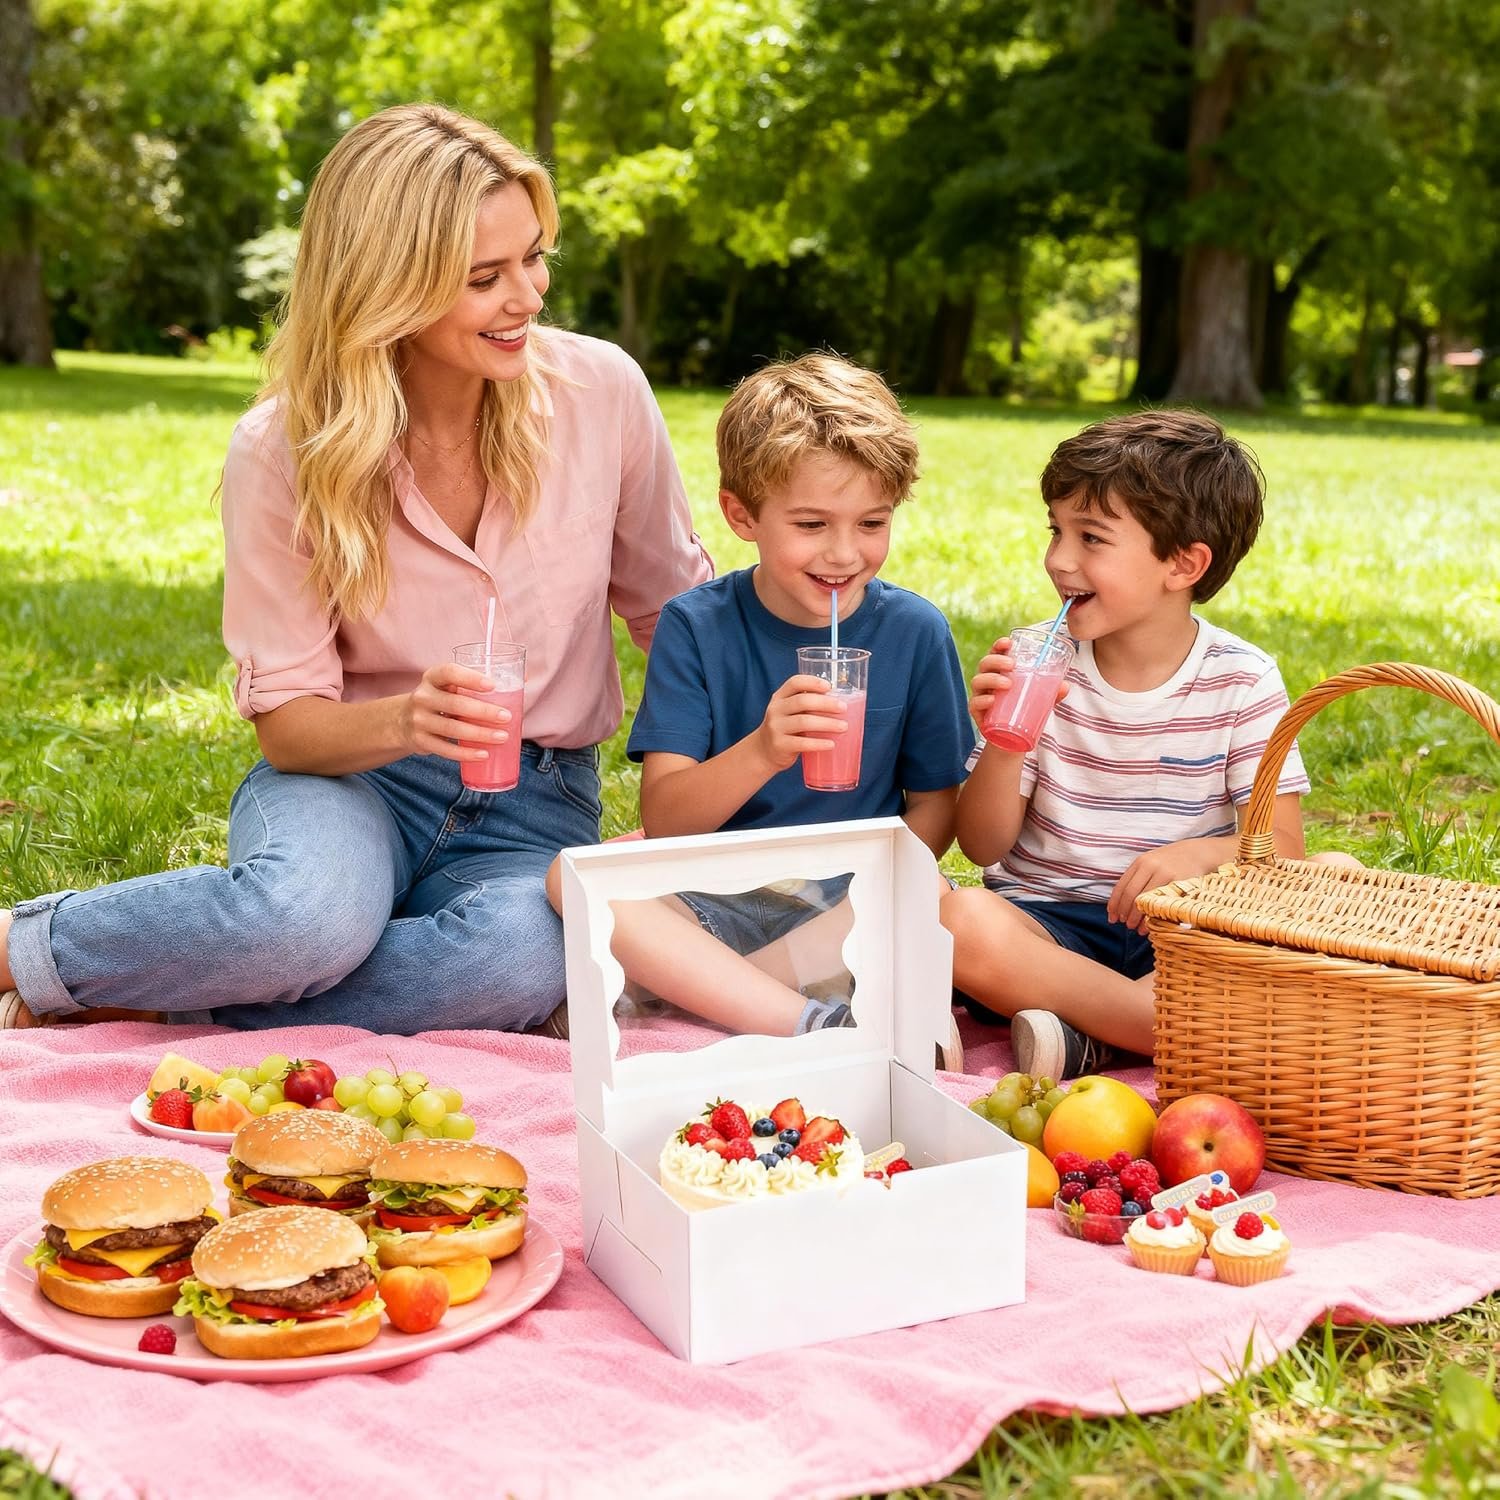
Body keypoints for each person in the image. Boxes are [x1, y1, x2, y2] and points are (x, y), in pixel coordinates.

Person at [0, 103, 711, 1035]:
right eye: (484, 278)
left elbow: (679, 618)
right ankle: (24, 949)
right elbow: (291, 732)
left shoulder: (602, 392)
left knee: (523, 961)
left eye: (535, 258)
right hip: (353, 780)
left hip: (538, 797)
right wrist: (410, 719)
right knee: (302, 918)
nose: (529, 297)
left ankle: (170, 989)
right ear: (391, 288)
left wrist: (729, 780)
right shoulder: (285, 448)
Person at [550, 352, 973, 1040]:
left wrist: (880, 878)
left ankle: (704, 989)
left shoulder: (914, 631)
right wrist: (763, 751)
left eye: (872, 523)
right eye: (812, 525)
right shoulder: (696, 624)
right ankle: (807, 1018)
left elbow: (934, 812)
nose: (844, 553)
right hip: (719, 888)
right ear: (741, 514)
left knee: (926, 894)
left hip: (848, 899)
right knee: (571, 876)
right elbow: (668, 819)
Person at [940, 409, 1356, 1081]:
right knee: (959, 918)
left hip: (1187, 938)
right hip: (1048, 929)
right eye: (1056, 530)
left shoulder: (1242, 680)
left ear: (1184, 563)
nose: (1058, 559)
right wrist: (1003, 742)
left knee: (1337, 874)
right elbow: (983, 847)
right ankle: (1174, 1030)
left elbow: (1283, 845)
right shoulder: (1033, 659)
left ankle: (1090, 1037)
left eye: (1091, 538)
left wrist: (1198, 856)